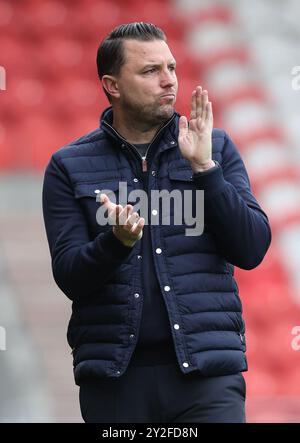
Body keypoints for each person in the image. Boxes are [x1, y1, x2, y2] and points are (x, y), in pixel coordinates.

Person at [42, 22, 271, 423]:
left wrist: (205, 170)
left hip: (208, 377)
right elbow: (70, 276)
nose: (169, 81)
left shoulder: (214, 148)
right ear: (112, 85)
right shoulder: (68, 166)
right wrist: (116, 242)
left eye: (172, 68)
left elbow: (251, 249)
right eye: (150, 71)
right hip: (115, 380)